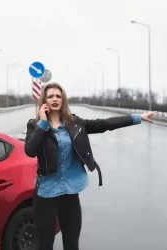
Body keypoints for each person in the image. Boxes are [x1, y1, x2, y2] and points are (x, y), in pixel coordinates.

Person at [24, 82, 156, 250]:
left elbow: (104, 124)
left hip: (70, 193)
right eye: (50, 96)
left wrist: (136, 118)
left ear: (63, 99)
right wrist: (43, 123)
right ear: (44, 100)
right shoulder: (35, 125)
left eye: (58, 96)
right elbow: (30, 150)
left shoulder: (75, 123)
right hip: (46, 194)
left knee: (72, 245)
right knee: (45, 245)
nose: (55, 99)